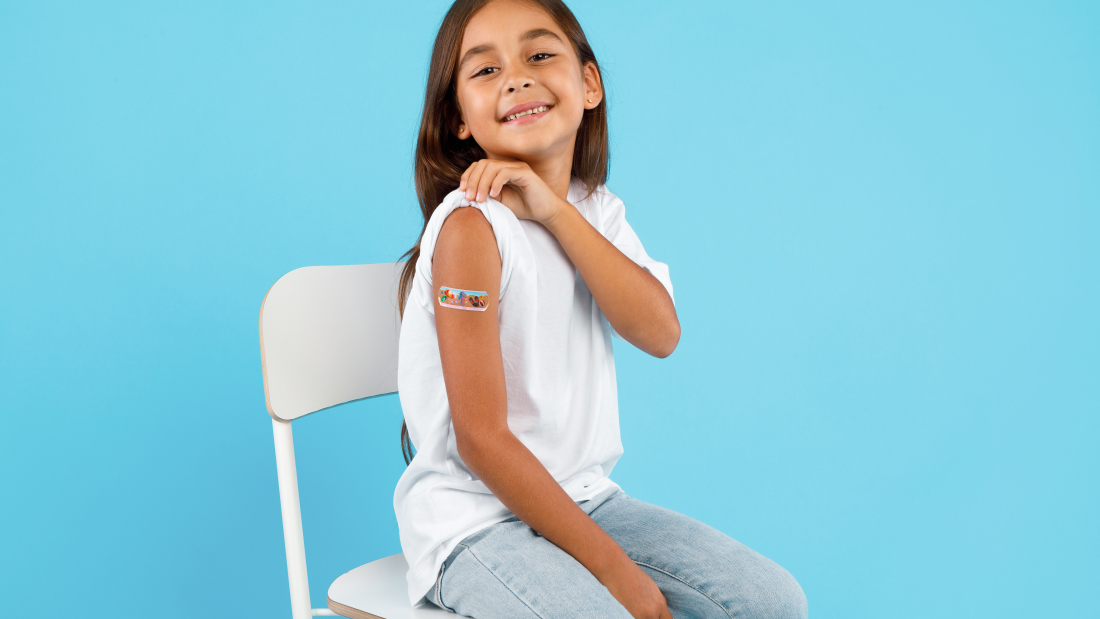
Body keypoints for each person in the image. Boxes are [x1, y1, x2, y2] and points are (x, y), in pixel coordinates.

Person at [392, 1, 808, 617]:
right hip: (476, 523)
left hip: (586, 500)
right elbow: (481, 441)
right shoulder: (471, 230)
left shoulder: (596, 210)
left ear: (589, 84)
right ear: (458, 118)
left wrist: (557, 212)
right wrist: (618, 574)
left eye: (539, 55)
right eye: (485, 70)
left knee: (772, 602)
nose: (516, 77)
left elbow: (661, 332)